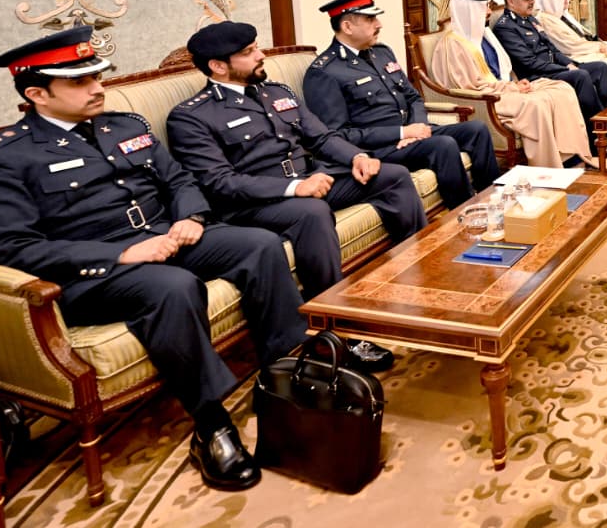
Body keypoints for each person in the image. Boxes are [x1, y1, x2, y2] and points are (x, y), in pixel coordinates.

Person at [0, 26, 307, 491]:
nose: (97, 87)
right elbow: (10, 248)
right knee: (174, 287)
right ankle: (211, 425)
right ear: (37, 94)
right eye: (79, 82)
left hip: (165, 237)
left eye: (96, 76)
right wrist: (121, 252)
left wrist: (190, 218)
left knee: (259, 245)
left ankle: (284, 374)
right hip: (93, 274)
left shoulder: (125, 125)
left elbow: (179, 180)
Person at [166, 21, 421, 372]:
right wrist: (293, 188)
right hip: (253, 206)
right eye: (248, 52)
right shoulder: (191, 116)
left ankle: (414, 278)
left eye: (257, 47)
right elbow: (220, 182)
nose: (261, 55)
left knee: (392, 176)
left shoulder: (276, 92)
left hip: (308, 184)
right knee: (311, 213)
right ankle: (337, 332)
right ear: (218, 66)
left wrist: (356, 157)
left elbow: (322, 137)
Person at [302, 0, 498, 206]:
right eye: (370, 19)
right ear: (347, 26)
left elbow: (413, 97)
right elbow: (339, 135)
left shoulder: (381, 53)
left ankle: (493, 202)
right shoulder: (325, 72)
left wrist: (416, 128)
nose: (379, 24)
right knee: (443, 145)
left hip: (411, 134)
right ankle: (465, 212)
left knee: (477, 129)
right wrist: (402, 132)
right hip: (380, 149)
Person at [431, 0, 597, 167]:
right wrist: (512, 87)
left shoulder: (484, 36)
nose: (489, 12)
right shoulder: (453, 45)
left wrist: (515, 84)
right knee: (536, 104)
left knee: (562, 89)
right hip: (487, 99)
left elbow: (501, 73)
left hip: (504, 89)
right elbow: (472, 87)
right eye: (484, 7)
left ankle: (571, 154)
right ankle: (548, 165)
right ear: (469, 10)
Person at [492, 0, 607, 158]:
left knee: (600, 68)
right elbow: (529, 62)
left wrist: (569, 63)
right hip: (536, 76)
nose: (532, 2)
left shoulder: (530, 19)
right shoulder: (505, 28)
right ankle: (597, 141)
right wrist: (564, 70)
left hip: (553, 69)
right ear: (511, 1)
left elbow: (552, 49)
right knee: (580, 76)